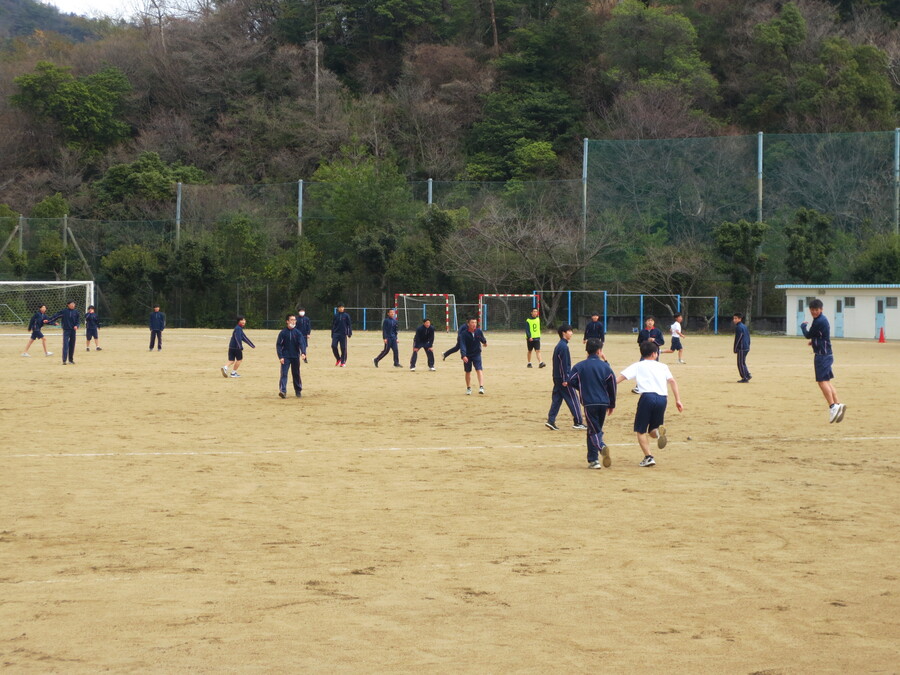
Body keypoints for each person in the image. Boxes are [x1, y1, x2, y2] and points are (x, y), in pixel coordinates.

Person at [615, 341, 684, 467]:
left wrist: (605, 386)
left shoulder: (638, 365)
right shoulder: (663, 366)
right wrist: (678, 400)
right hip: (662, 399)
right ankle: (659, 434)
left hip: (647, 397)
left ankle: (649, 457)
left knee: (640, 430)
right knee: (653, 430)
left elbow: (619, 379)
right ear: (654, 354)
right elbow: (672, 381)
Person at [568, 338, 617, 469]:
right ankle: (593, 460)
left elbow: (570, 381)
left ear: (587, 351)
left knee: (593, 431)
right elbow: (612, 385)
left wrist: (582, 387)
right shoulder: (606, 367)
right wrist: (612, 404)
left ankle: (601, 447)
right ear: (600, 351)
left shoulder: (580, 366)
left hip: (589, 403)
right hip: (603, 403)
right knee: (595, 429)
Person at [801, 299, 846, 423]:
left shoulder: (818, 321)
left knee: (821, 382)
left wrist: (803, 327)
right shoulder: (822, 319)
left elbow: (808, 334)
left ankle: (832, 407)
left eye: (816, 310)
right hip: (827, 353)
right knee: (827, 381)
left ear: (821, 309)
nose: (814, 312)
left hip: (822, 355)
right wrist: (814, 341)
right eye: (812, 310)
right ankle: (837, 405)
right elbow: (819, 335)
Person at [545, 324, 587, 432]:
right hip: (563, 378)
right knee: (573, 398)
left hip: (557, 377)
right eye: (569, 331)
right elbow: (563, 365)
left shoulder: (560, 345)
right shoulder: (563, 347)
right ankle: (578, 422)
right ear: (564, 333)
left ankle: (551, 420)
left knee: (557, 399)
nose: (571, 333)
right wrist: (565, 379)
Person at [276, 314, 306, 398]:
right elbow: (278, 345)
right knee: (284, 374)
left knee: (296, 374)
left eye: (294, 320)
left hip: (295, 356)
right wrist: (280, 356)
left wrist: (303, 352)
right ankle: (283, 391)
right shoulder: (283, 333)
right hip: (285, 357)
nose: (293, 321)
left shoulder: (297, 333)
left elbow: (302, 343)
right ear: (287, 321)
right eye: (292, 320)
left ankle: (298, 390)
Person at [459, 317, 487, 395]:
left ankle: (481, 387)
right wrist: (463, 355)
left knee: (479, 369)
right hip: (467, 355)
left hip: (476, 354)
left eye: (475, 322)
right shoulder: (463, 334)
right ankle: (468, 388)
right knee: (468, 371)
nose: (474, 324)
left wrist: (484, 342)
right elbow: (462, 345)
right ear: (468, 324)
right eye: (472, 322)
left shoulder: (478, 331)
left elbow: (482, 338)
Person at [48, 300, 79, 365]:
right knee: (65, 345)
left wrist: (76, 326)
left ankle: (70, 360)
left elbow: (77, 321)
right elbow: (55, 316)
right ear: (68, 305)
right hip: (66, 330)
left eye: (74, 304)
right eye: (71, 304)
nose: (73, 305)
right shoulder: (64, 312)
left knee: (72, 345)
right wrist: (48, 321)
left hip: (73, 331)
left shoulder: (76, 312)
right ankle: (64, 360)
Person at [331, 303, 352, 367]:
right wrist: (332, 333)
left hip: (343, 333)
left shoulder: (346, 316)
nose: (341, 308)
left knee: (343, 348)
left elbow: (349, 325)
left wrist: (349, 332)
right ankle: (338, 358)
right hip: (336, 333)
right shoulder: (335, 315)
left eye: (342, 307)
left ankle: (343, 361)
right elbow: (333, 325)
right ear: (338, 308)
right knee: (333, 346)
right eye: (340, 307)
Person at [733, 313, 751, 382]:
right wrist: (748, 345)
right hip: (746, 347)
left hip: (742, 348)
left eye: (736, 318)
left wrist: (735, 348)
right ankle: (747, 374)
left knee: (740, 363)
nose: (734, 320)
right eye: (734, 318)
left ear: (740, 319)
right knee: (743, 362)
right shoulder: (744, 326)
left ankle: (745, 378)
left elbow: (738, 338)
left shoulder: (739, 327)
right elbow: (748, 337)